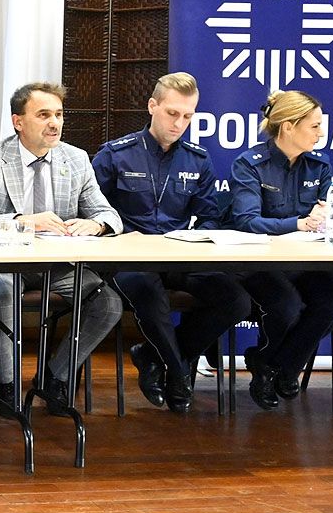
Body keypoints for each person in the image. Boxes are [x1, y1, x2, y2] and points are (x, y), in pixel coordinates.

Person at [93, 73, 250, 412]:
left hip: (177, 255)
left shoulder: (198, 159)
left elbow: (209, 217)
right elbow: (90, 211)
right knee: (149, 292)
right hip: (128, 259)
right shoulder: (115, 155)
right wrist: (115, 235)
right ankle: (179, 374)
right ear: (152, 106)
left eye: (188, 116)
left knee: (236, 299)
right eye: (172, 113)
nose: (179, 123)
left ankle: (154, 357)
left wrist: (195, 237)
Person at [0, 82, 123, 418]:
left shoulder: (75, 159)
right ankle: (7, 387)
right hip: (6, 263)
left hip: (56, 264)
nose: (54, 123)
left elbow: (108, 214)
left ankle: (55, 378)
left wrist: (96, 225)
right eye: (43, 115)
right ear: (18, 122)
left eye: (59, 115)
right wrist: (23, 221)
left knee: (108, 303)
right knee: (2, 292)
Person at [229, 89, 333, 411]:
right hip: (261, 263)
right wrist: (299, 223)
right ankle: (274, 364)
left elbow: (328, 213)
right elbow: (247, 221)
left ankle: (277, 364)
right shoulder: (250, 165)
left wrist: (329, 217)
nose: (321, 133)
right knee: (286, 304)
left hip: (306, 261)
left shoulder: (319, 165)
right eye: (314, 126)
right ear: (288, 126)